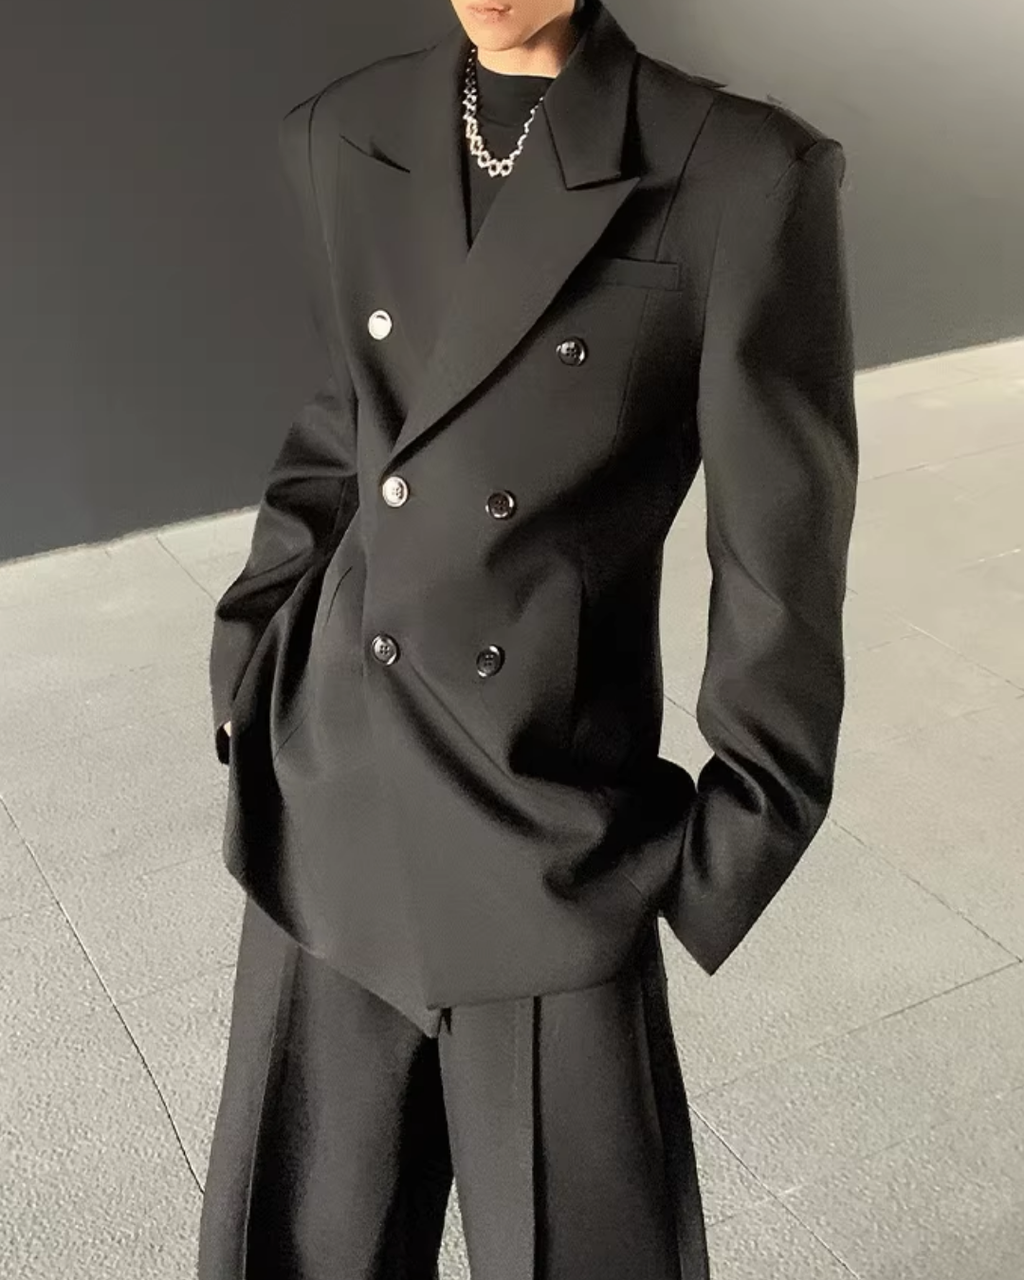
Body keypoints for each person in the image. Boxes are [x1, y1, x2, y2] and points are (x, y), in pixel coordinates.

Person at [199, 1, 858, 1276]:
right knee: (301, 1243)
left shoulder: (739, 171)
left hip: (549, 818)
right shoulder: (345, 133)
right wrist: (252, 651)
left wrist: (741, 829)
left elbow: (780, 544)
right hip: (334, 786)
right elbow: (345, 421)